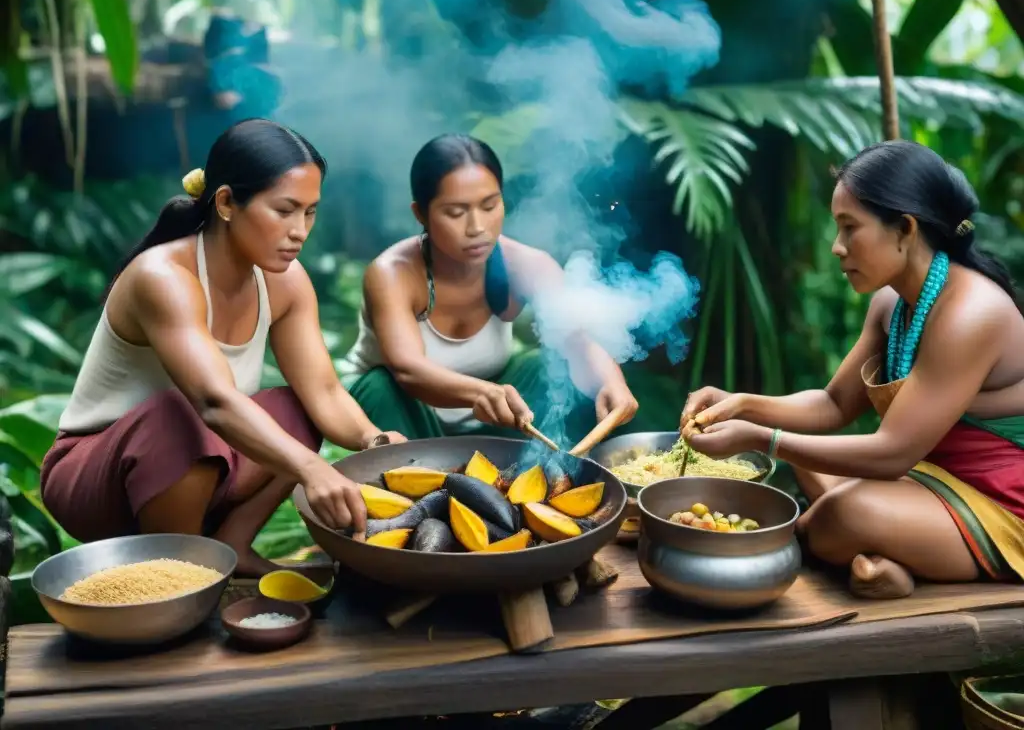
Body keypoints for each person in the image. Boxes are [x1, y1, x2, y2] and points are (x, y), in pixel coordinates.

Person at [40, 118, 406, 577]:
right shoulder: (164, 278)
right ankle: (180, 571)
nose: (300, 231)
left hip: (200, 463)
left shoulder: (286, 282)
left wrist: (376, 440)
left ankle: (232, 547)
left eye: (310, 212)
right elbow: (213, 402)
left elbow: (326, 394)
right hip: (93, 478)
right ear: (228, 202)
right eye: (284, 210)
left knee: (297, 408)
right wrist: (314, 469)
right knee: (180, 413)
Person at [680, 139, 1024, 599]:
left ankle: (864, 549)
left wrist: (763, 439)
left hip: (1001, 506)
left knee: (841, 515)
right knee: (814, 476)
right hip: (928, 481)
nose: (837, 248)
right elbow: (832, 404)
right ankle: (882, 563)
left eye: (849, 228)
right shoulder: (893, 302)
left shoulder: (970, 313)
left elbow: (893, 453)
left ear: (905, 228)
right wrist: (742, 405)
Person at [337, 133, 639, 444]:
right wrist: (482, 392)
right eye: (456, 212)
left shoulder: (526, 264)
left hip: (489, 423)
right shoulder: (392, 273)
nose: (477, 227)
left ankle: (547, 475)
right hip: (402, 424)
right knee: (380, 386)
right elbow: (408, 371)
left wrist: (611, 381)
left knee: (546, 365)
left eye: (489, 205)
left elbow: (577, 338)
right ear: (421, 214)